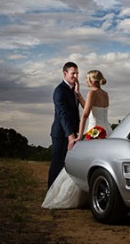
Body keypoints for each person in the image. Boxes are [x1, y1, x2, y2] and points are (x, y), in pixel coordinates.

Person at [42, 69, 111, 210]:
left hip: (95, 132)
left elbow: (85, 115)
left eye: (86, 78)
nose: (84, 80)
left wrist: (80, 136)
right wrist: (79, 94)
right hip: (107, 132)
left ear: (91, 80)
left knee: (80, 165)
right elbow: (92, 108)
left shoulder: (92, 93)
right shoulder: (105, 94)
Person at [47, 62, 80, 189]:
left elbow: (75, 113)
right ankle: (51, 193)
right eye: (73, 73)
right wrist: (70, 136)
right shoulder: (59, 90)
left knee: (69, 165)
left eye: (77, 73)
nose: (76, 76)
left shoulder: (74, 90)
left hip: (73, 133)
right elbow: (62, 115)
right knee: (57, 164)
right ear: (65, 73)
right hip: (61, 134)